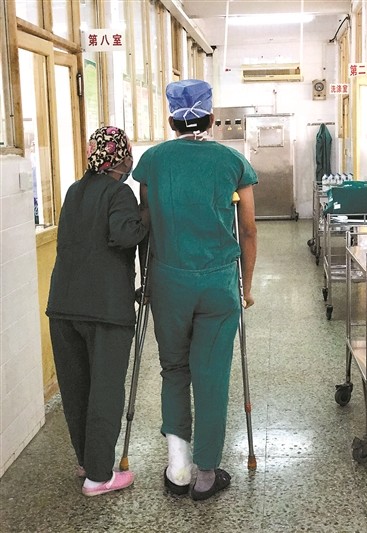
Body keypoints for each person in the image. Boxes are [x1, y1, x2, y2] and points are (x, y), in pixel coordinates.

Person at [132, 79, 257, 501]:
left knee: (174, 369)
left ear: (172, 120)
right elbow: (249, 230)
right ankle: (206, 474)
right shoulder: (232, 161)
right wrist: (247, 288)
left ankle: (178, 468)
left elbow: (146, 224)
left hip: (169, 282)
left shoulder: (152, 161)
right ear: (211, 117)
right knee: (211, 375)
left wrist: (146, 282)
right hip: (219, 283)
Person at [46, 126, 148, 496]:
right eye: (127, 155)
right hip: (105, 310)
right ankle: (100, 476)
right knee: (105, 392)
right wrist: (146, 216)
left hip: (63, 306)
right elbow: (124, 234)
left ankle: (87, 462)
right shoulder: (119, 192)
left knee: (76, 389)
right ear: (120, 158)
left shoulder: (74, 190)